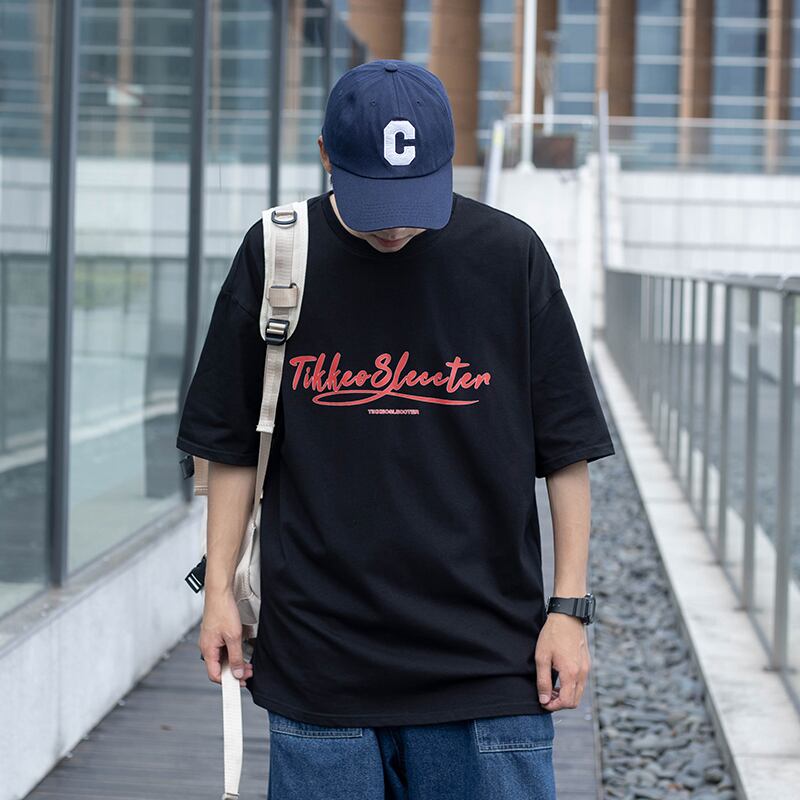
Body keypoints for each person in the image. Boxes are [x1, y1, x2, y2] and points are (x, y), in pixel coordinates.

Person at [176, 59, 615, 800]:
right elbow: (230, 445)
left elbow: (568, 449)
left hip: (487, 663)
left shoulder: (510, 256)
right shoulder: (278, 256)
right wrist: (218, 590)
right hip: (321, 661)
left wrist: (568, 611)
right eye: (375, 201)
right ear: (326, 155)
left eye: (413, 201)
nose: (395, 226)